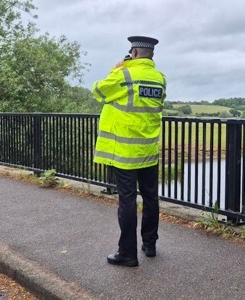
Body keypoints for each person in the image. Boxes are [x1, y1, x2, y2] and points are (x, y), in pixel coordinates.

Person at [92, 36, 167, 267]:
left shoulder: (123, 75)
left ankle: (127, 253)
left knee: (127, 201)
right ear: (151, 55)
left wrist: (115, 69)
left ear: (133, 53)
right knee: (151, 198)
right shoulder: (160, 79)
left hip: (125, 151)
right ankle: (150, 244)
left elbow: (99, 91)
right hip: (148, 150)